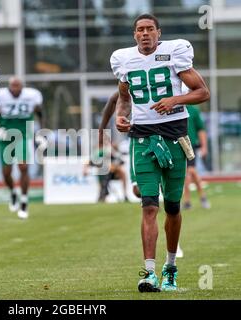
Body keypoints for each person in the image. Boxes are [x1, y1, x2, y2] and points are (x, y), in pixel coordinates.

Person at [110, 14, 210, 292]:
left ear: (158, 32)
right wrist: (121, 115)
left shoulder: (174, 53)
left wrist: (175, 99)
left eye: (149, 29)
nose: (145, 34)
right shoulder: (123, 59)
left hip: (175, 136)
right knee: (149, 204)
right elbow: (124, 95)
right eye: (140, 30)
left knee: (173, 208)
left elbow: (202, 92)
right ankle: (149, 273)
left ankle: (170, 268)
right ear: (134, 35)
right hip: (142, 139)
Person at [0, 77, 43, 219]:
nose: (15, 89)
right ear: (9, 86)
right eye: (13, 86)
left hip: (24, 134)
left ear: (22, 86)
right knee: (6, 172)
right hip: (6, 135)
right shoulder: (0, 95)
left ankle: (24, 200)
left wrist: (41, 129)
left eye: (18, 86)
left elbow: (39, 111)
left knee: (23, 167)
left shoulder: (32, 95)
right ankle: (13, 192)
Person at [99, 91, 140, 198]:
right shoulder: (132, 80)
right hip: (140, 138)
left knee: (169, 189)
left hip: (167, 134)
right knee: (138, 190)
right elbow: (113, 99)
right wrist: (101, 129)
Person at [182, 103, 210, 210]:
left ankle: (187, 201)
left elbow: (201, 129)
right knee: (191, 172)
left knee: (189, 171)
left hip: (190, 145)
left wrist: (204, 147)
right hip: (177, 145)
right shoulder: (173, 108)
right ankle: (202, 197)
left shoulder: (193, 110)